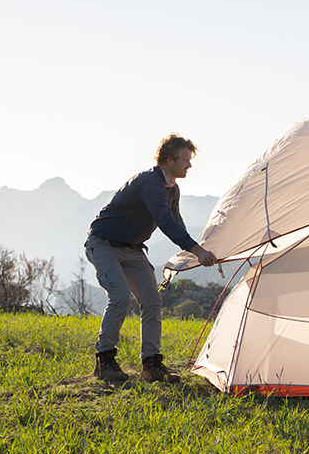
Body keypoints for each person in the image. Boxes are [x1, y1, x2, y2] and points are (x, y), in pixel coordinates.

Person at [85, 133, 218, 383]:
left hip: (133, 249)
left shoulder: (172, 188)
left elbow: (177, 221)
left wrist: (193, 250)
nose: (189, 165)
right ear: (169, 159)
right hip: (103, 244)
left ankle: (151, 364)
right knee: (120, 297)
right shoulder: (149, 183)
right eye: (185, 160)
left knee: (151, 300)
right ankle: (104, 359)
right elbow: (165, 221)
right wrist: (197, 250)